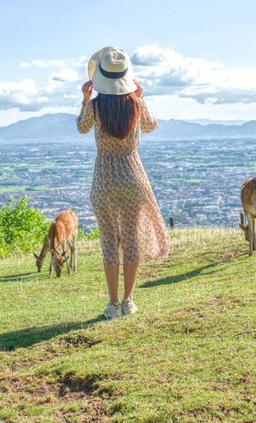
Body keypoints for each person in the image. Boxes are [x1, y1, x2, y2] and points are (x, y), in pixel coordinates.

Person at [77, 46, 169, 319]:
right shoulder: (135, 105)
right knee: (130, 239)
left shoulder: (95, 106)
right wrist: (140, 98)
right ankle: (129, 300)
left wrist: (85, 98)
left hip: (104, 177)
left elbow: (81, 127)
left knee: (109, 240)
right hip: (132, 175)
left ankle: (112, 303)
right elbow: (152, 126)